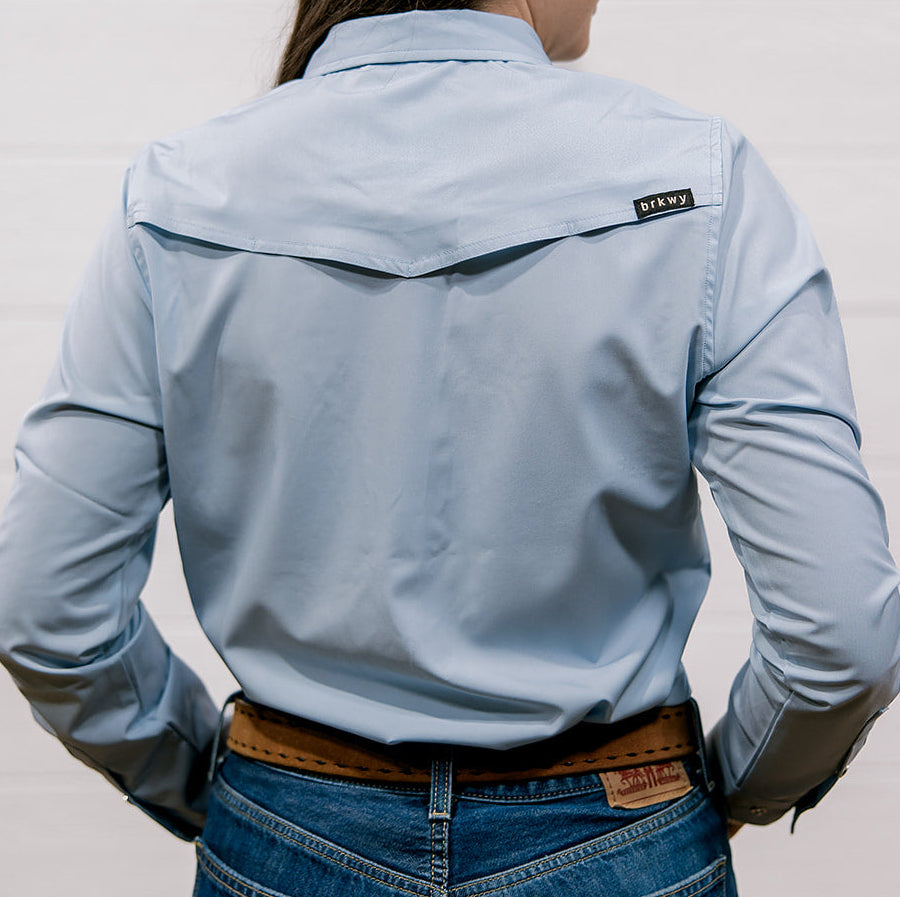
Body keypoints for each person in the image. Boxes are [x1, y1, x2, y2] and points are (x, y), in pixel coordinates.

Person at [1, 1, 898, 894]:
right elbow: (840, 631)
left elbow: (43, 605)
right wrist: (719, 790)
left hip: (286, 827)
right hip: (624, 833)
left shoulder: (174, 192)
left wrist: (231, 787)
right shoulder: (703, 178)